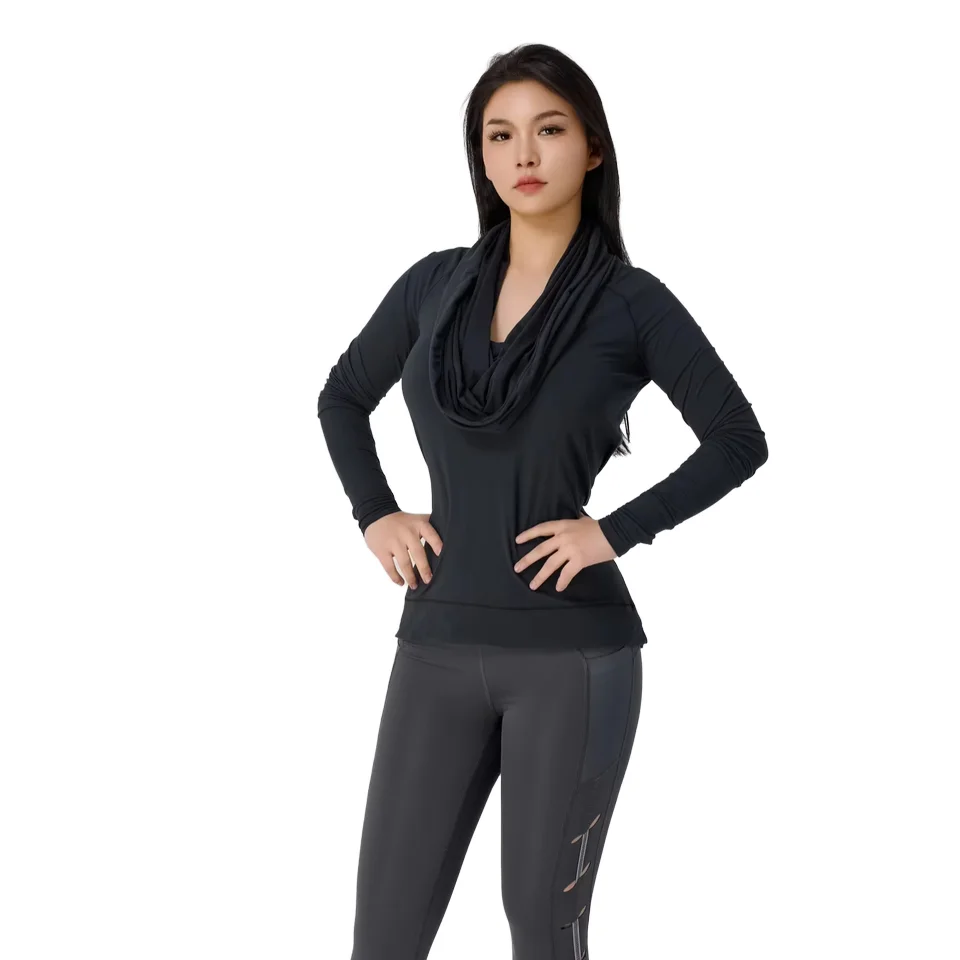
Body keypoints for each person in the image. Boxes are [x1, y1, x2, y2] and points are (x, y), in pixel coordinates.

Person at [317, 43, 768, 960]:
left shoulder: (631, 304)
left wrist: (615, 532)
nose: (524, 154)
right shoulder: (432, 285)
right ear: (480, 158)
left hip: (572, 658)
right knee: (384, 936)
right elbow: (342, 397)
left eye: (549, 130)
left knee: (542, 929)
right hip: (434, 646)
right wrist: (375, 512)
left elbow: (737, 437)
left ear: (592, 149)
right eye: (500, 135)